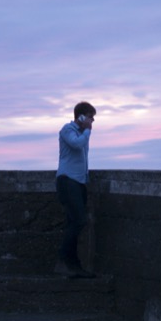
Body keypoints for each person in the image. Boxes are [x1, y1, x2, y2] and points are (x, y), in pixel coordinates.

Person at [55, 101, 97, 278]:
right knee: (79, 221)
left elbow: (83, 158)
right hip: (67, 181)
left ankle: (73, 264)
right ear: (80, 116)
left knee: (74, 222)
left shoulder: (82, 134)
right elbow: (76, 145)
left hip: (78, 182)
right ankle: (63, 261)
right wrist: (87, 130)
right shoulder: (67, 130)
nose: (92, 121)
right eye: (89, 117)